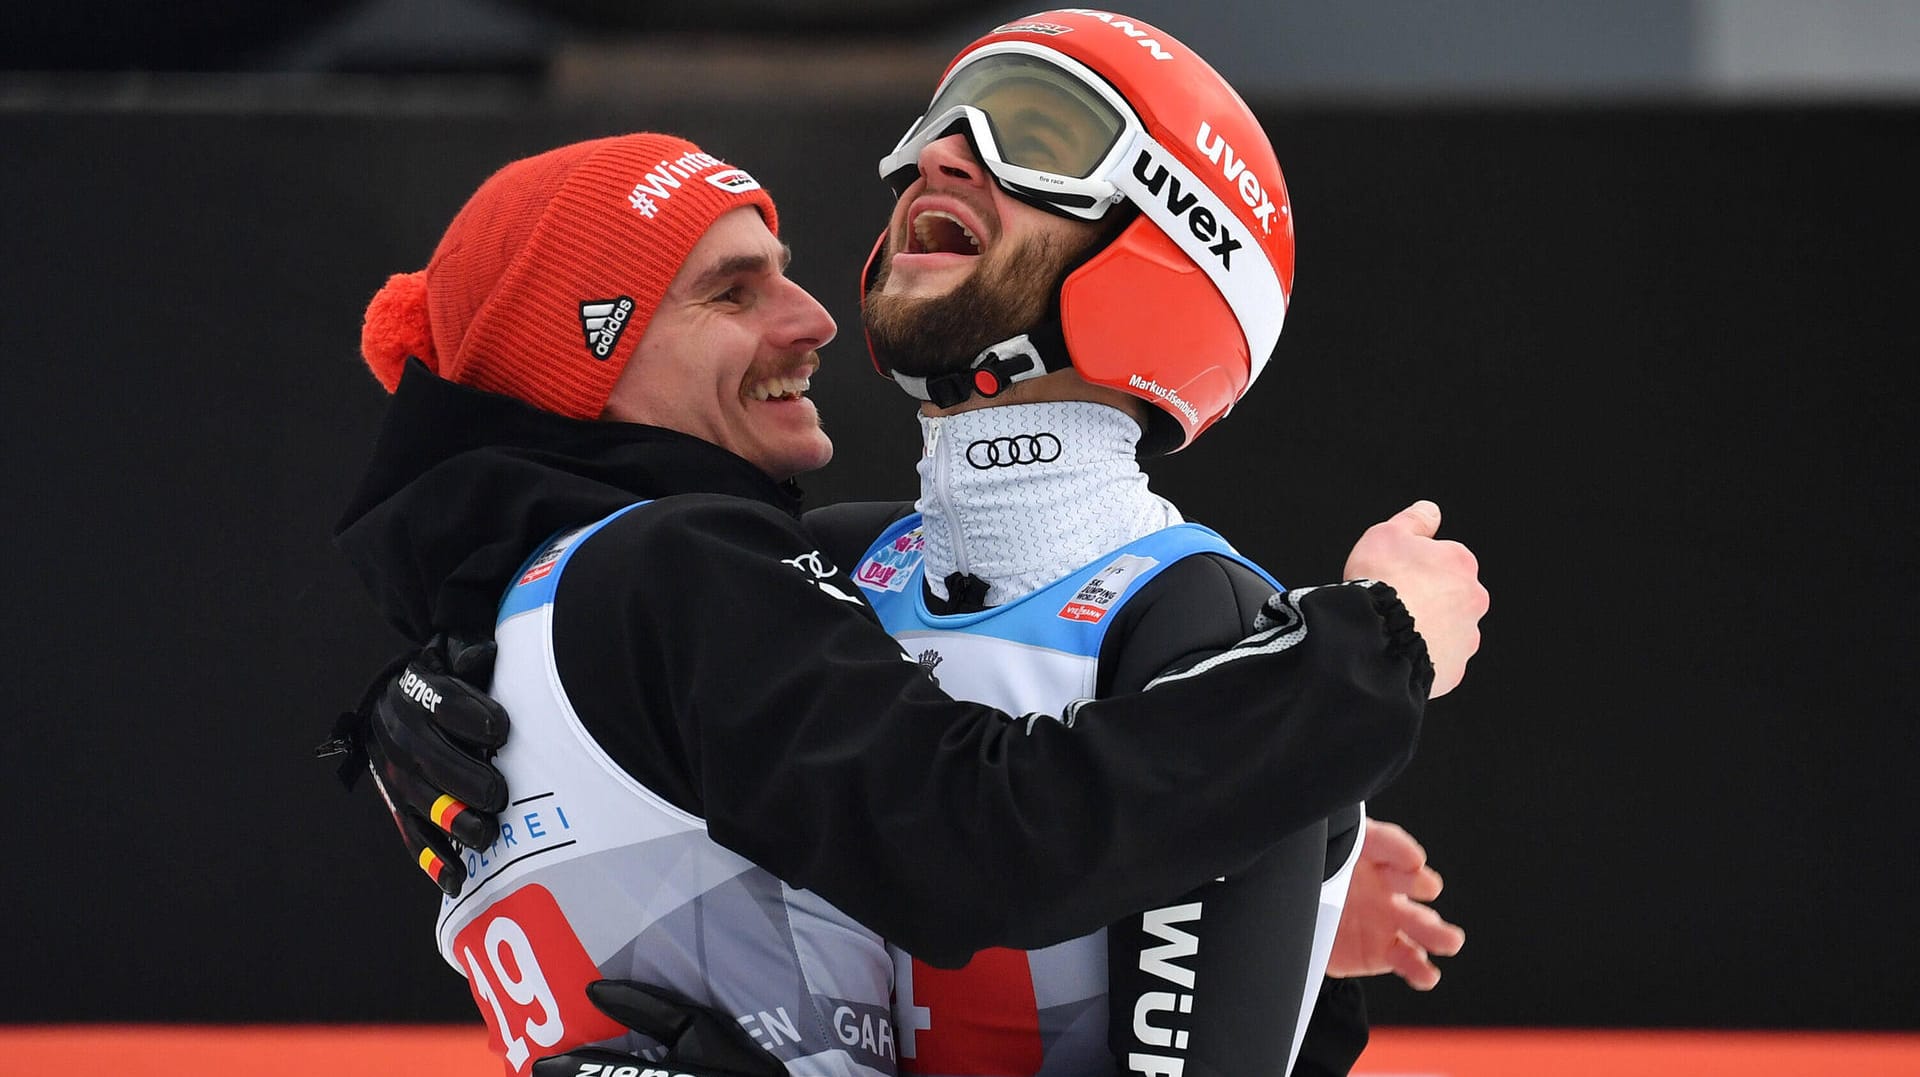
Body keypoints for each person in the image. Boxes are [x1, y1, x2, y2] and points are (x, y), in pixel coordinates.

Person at [329, 117, 1474, 1077]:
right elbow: (980, 839)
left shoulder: (499, 635)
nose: (815, 318)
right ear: (586, 360)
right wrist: (1375, 649)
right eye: (732, 293)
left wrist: (1287, 896)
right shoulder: (674, 570)